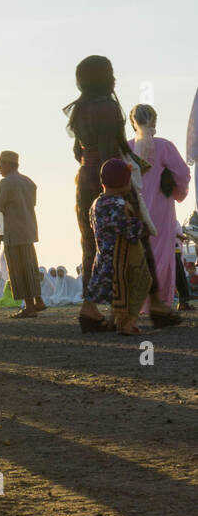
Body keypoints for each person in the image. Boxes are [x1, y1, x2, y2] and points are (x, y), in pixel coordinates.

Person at [63, 55, 137, 332]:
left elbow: (77, 152)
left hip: (84, 177)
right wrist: (119, 188)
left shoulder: (79, 109)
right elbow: (110, 153)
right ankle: (122, 311)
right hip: (107, 179)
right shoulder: (108, 107)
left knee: (90, 244)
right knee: (119, 243)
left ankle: (90, 308)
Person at [128, 104, 188, 326]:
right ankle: (161, 301)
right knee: (162, 251)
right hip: (161, 207)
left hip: (134, 207)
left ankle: (141, 301)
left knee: (138, 252)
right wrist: (177, 192)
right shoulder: (164, 146)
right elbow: (182, 172)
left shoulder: (126, 147)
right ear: (154, 120)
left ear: (133, 121)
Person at [84, 158, 151, 335]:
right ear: (124, 181)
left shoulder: (97, 203)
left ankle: (108, 318)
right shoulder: (118, 205)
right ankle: (128, 324)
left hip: (102, 257)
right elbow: (131, 233)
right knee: (141, 282)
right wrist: (139, 221)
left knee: (105, 292)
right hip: (119, 260)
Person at [0, 150, 46, 319]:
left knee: (19, 271)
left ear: (8, 164)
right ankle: (38, 300)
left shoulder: (5, 183)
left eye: (0, 163)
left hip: (13, 233)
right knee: (30, 268)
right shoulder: (29, 182)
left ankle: (29, 308)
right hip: (28, 231)